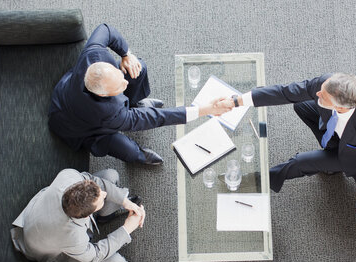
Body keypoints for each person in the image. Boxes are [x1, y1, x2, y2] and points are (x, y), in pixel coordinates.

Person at [226, 73, 356, 221]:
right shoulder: (327, 83)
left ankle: (260, 181)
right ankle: (330, 157)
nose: (317, 94)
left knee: (300, 162)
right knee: (301, 105)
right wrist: (238, 101)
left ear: (340, 107)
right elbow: (286, 92)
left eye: (322, 96)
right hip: (345, 135)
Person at [49, 24, 232, 165]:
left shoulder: (93, 53)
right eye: (119, 87)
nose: (125, 82)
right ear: (105, 95)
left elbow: (105, 29)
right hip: (79, 128)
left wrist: (126, 54)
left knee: (137, 67)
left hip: (69, 92)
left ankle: (134, 103)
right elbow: (156, 118)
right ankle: (139, 156)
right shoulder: (110, 115)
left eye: (119, 76)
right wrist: (204, 109)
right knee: (125, 148)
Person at [10, 168, 148, 262]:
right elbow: (94, 255)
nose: (104, 194)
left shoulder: (69, 176)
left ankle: (106, 215)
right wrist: (127, 228)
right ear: (87, 215)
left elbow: (94, 181)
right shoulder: (71, 237)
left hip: (42, 215)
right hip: (53, 250)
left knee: (110, 175)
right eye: (101, 199)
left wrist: (124, 201)